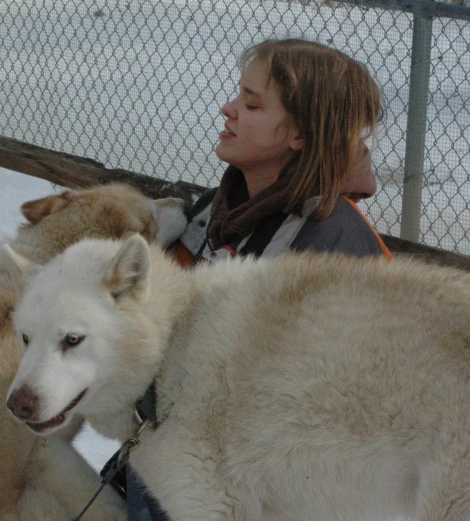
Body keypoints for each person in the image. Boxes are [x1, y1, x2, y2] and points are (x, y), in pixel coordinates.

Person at [125, 38, 392, 521]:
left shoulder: (334, 250)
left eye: (251, 103)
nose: (228, 109)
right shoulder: (213, 209)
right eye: (238, 95)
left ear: (301, 134)